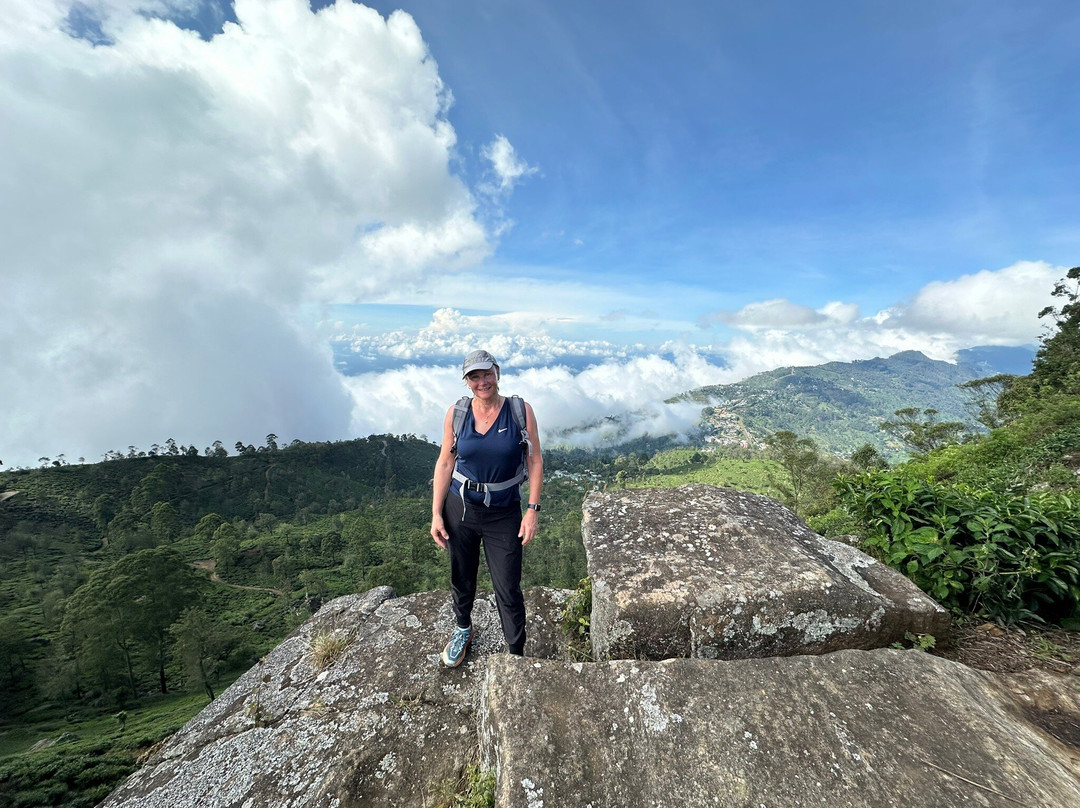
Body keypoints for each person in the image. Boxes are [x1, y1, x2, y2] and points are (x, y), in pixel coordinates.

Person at [430, 350, 543, 667]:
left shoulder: (520, 410)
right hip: (460, 507)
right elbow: (445, 461)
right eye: (474, 377)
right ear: (467, 382)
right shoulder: (458, 413)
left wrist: (532, 509)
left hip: (504, 511)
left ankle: (516, 653)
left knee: (507, 584)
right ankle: (462, 628)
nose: (482, 382)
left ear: (497, 373)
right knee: (461, 574)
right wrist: (437, 513)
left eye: (487, 374)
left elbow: (534, 460)